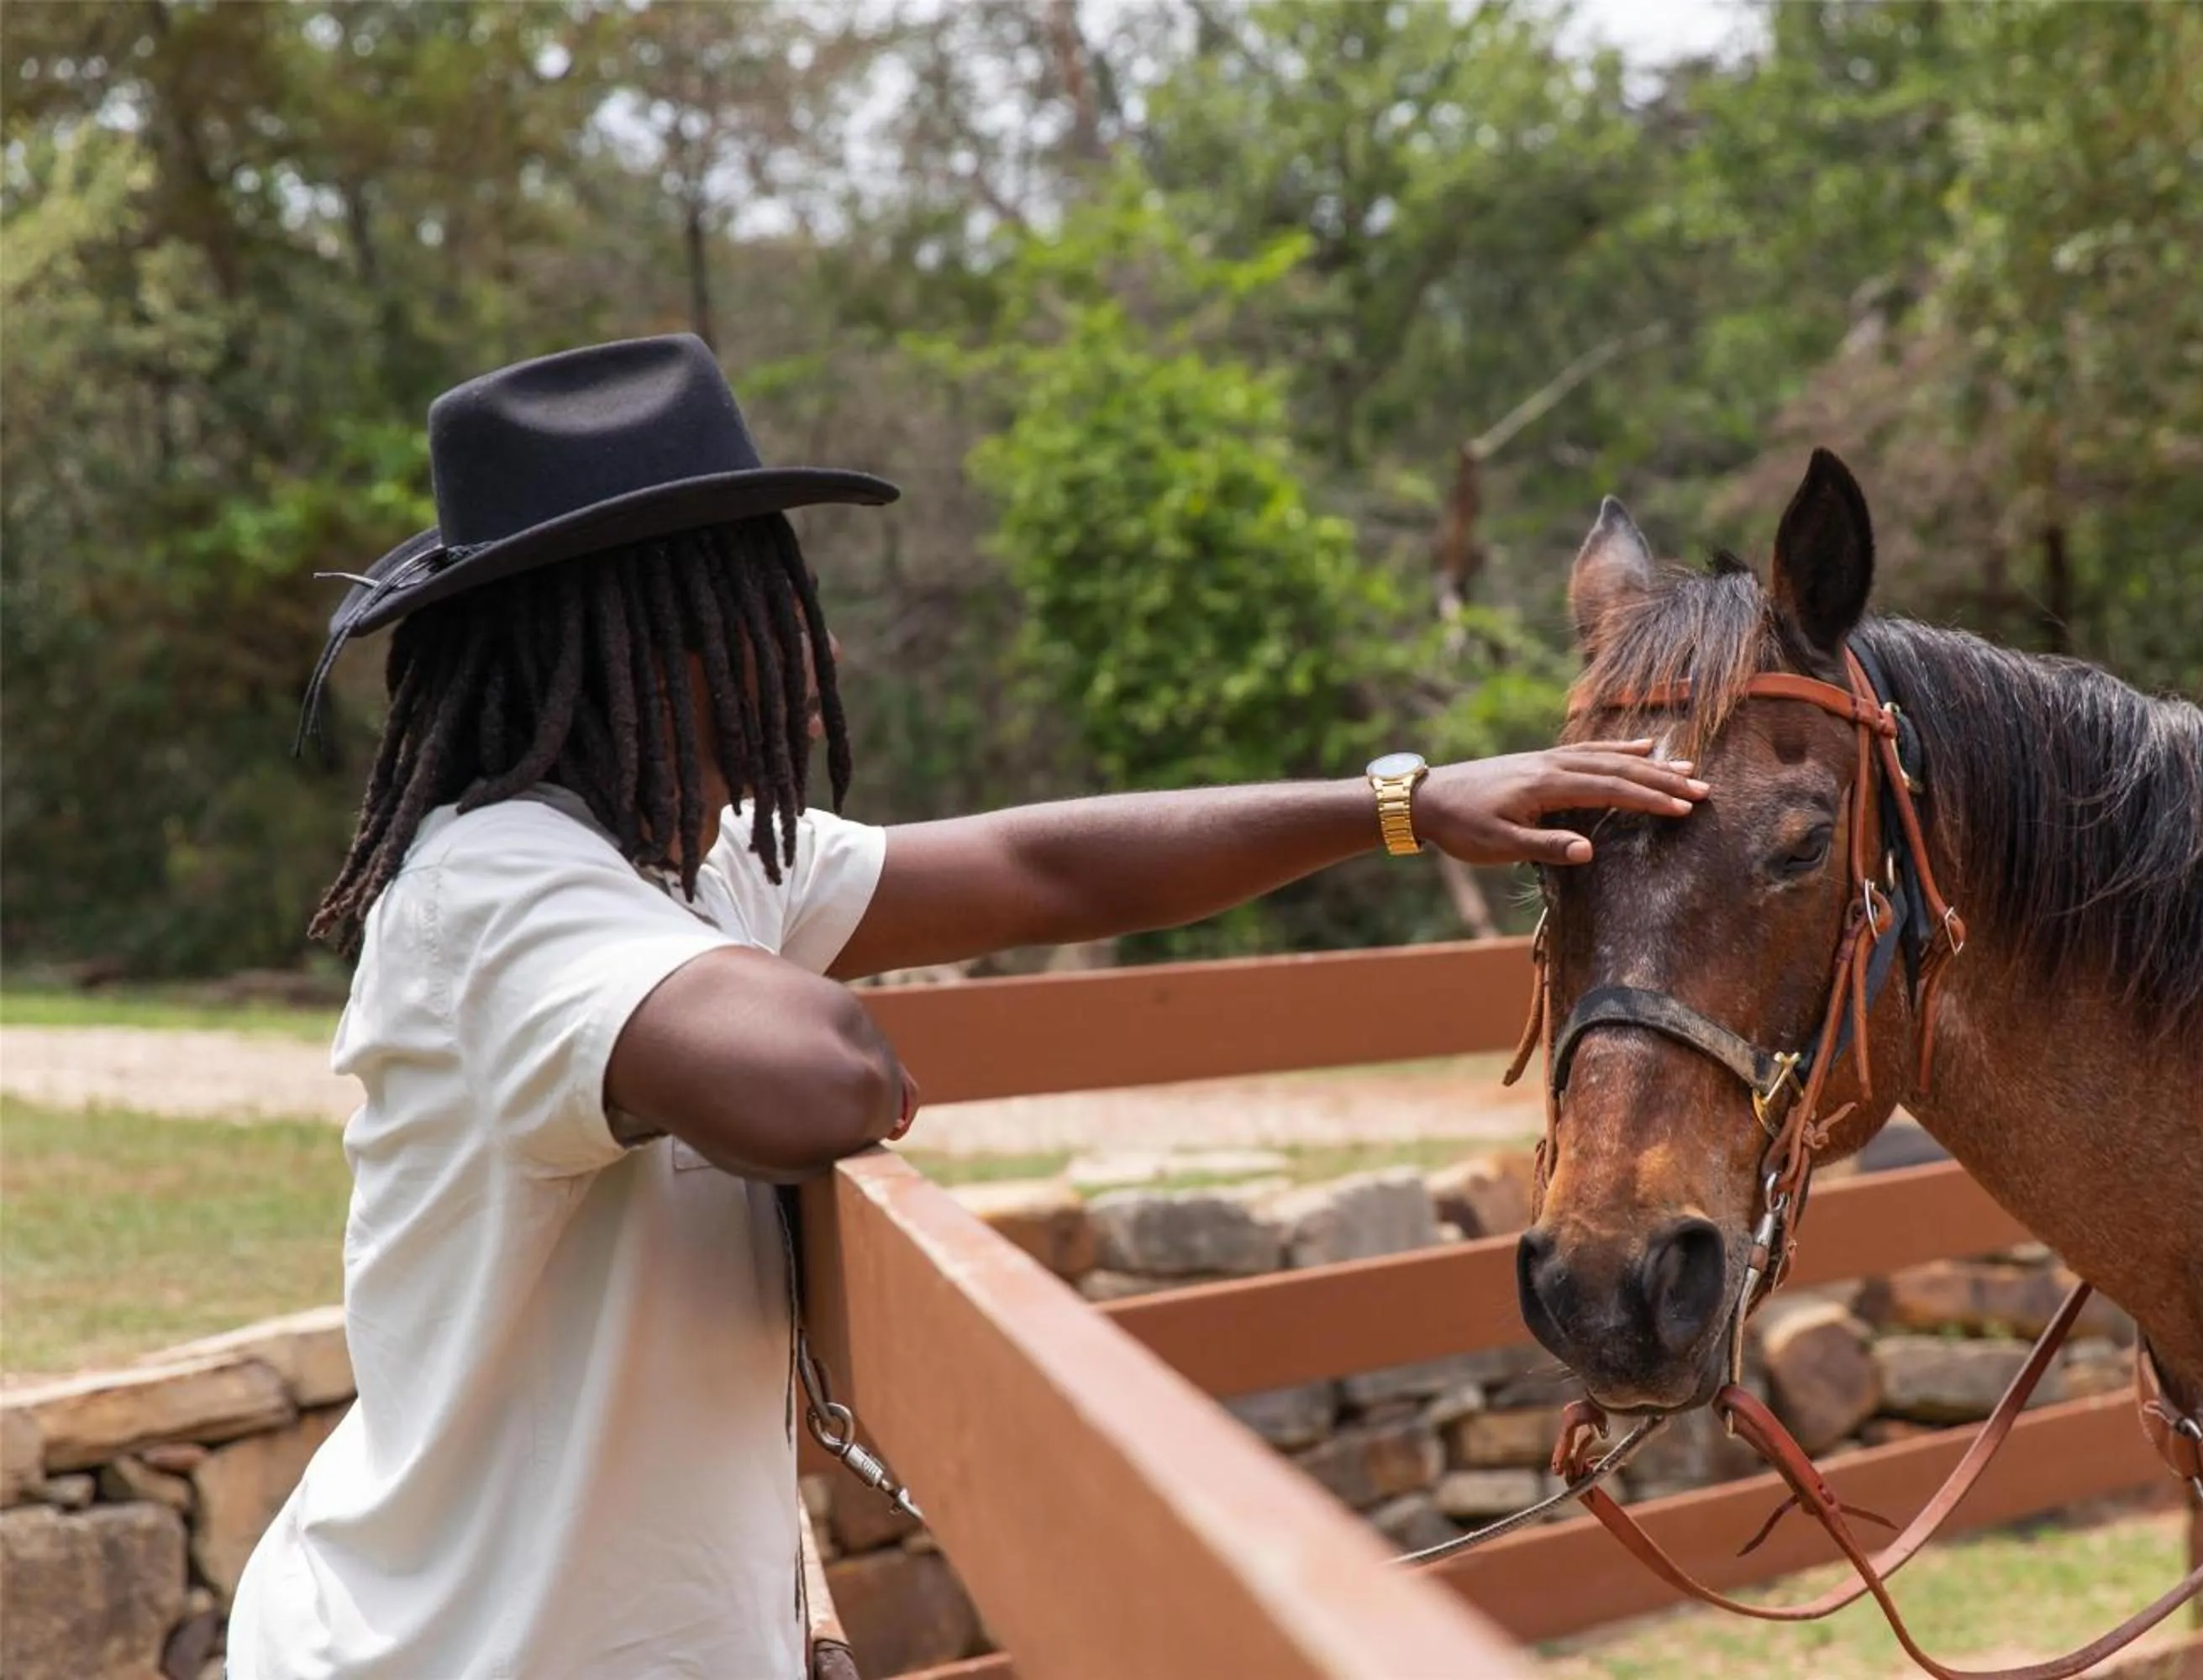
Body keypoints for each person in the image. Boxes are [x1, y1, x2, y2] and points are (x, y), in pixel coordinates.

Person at [225, 334, 1706, 1678]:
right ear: (643, 638)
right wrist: (858, 1055)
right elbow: (812, 1080)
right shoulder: (501, 892)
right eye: (762, 606)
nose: (816, 662)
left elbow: (1033, 865)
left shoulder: (682, 860)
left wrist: (1405, 802)